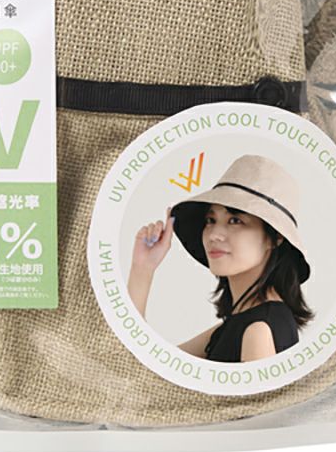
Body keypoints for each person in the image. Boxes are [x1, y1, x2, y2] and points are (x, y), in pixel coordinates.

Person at [127, 154, 313, 363]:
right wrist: (143, 268)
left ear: (275, 237)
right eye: (210, 220)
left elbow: (142, 370)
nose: (214, 234)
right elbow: (144, 366)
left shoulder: (258, 330)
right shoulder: (241, 322)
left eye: (235, 220)